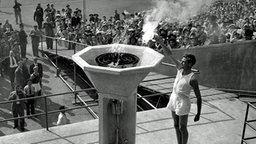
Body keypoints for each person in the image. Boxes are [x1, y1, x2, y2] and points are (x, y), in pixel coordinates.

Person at [155, 35, 202, 144]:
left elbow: (199, 97)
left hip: (183, 102)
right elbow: (169, 54)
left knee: (182, 127)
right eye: (182, 61)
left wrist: (198, 113)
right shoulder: (180, 68)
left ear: (190, 64)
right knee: (176, 125)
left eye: (184, 61)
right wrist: (161, 42)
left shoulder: (193, 78)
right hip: (174, 98)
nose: (181, 62)